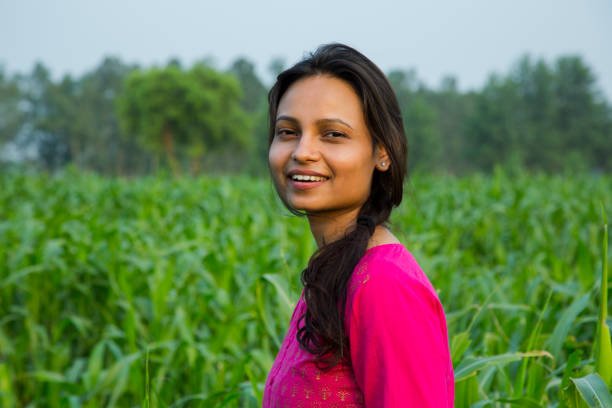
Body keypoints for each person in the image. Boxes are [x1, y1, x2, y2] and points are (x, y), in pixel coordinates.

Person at [263, 43, 454, 407]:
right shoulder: (334, 273)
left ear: (382, 152)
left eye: (332, 134)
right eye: (287, 131)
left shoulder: (384, 286)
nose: (303, 151)